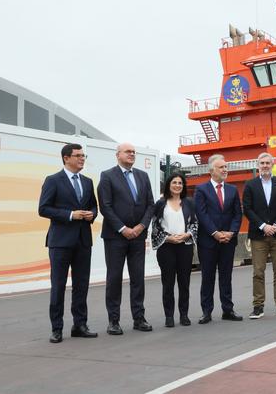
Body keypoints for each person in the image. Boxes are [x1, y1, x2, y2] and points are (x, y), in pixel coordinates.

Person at [38, 143, 98, 343]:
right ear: (66, 158)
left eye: (84, 155)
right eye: (78, 155)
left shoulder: (88, 182)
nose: (82, 159)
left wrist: (91, 215)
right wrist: (71, 215)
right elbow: (43, 209)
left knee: (81, 285)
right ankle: (57, 328)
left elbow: (94, 207)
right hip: (60, 242)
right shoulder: (53, 180)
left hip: (83, 241)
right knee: (58, 286)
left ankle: (80, 325)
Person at [97, 142, 155, 335]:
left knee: (138, 278)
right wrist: (123, 229)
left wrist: (140, 227)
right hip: (115, 237)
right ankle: (113, 321)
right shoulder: (107, 176)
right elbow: (105, 207)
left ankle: (139, 318)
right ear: (117, 155)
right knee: (114, 278)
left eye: (133, 152)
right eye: (128, 151)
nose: (132, 154)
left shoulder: (143, 176)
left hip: (138, 236)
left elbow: (150, 205)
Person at [242, 153, 276, 319]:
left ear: (273, 164)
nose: (265, 166)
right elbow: (247, 208)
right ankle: (258, 306)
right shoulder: (250, 185)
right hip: (258, 235)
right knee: (258, 271)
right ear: (258, 165)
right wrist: (264, 226)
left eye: (267, 163)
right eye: (262, 163)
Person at [194, 154, 243, 324]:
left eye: (226, 167)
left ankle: (227, 310)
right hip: (208, 242)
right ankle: (206, 312)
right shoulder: (201, 189)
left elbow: (238, 213)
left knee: (226, 276)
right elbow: (201, 214)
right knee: (207, 276)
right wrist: (215, 232)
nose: (225, 170)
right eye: (221, 167)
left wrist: (232, 232)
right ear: (211, 170)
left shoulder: (232, 190)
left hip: (228, 241)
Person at [151, 173, 197, 327]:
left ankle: (184, 315)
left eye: (180, 183)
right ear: (168, 185)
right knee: (168, 283)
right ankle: (169, 316)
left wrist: (187, 234)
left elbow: (195, 223)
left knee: (184, 283)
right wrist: (168, 237)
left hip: (185, 247)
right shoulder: (160, 203)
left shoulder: (189, 203)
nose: (177, 185)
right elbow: (155, 226)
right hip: (166, 247)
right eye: (174, 182)